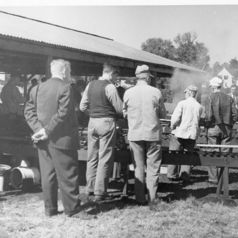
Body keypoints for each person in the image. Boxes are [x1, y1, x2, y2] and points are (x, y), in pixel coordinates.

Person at [24, 59, 87, 218]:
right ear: (65, 71)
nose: (70, 75)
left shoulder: (36, 88)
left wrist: (39, 130)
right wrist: (46, 130)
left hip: (43, 140)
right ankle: (72, 209)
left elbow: (28, 111)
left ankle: (50, 209)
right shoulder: (66, 88)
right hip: (62, 139)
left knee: (48, 175)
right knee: (68, 174)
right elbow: (63, 113)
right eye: (70, 71)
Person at [123, 64, 166, 205]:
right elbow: (162, 113)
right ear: (147, 77)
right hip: (152, 133)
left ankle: (140, 198)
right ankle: (152, 197)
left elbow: (124, 113)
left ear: (137, 77)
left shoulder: (128, 93)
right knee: (153, 167)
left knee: (138, 167)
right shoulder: (156, 92)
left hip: (135, 134)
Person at [79, 64, 123, 202]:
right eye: (116, 76)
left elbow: (82, 107)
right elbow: (119, 109)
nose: (116, 79)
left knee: (92, 156)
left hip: (92, 122)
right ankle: (100, 191)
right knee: (104, 157)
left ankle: (89, 188)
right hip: (106, 122)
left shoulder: (90, 85)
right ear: (111, 74)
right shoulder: (110, 87)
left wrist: (92, 114)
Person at [167, 85, 204, 182]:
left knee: (174, 154)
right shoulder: (199, 106)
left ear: (189, 93)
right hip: (191, 134)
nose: (185, 94)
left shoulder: (182, 103)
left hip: (179, 132)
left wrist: (172, 126)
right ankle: (185, 175)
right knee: (187, 155)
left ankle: (172, 174)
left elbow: (175, 118)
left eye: (185, 93)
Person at [204, 77, 238, 184]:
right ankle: (224, 178)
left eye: (211, 87)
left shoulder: (209, 97)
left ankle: (213, 178)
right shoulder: (229, 98)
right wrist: (230, 124)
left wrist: (207, 125)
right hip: (226, 129)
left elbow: (209, 116)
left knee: (212, 153)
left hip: (213, 128)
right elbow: (236, 114)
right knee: (225, 154)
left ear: (213, 86)